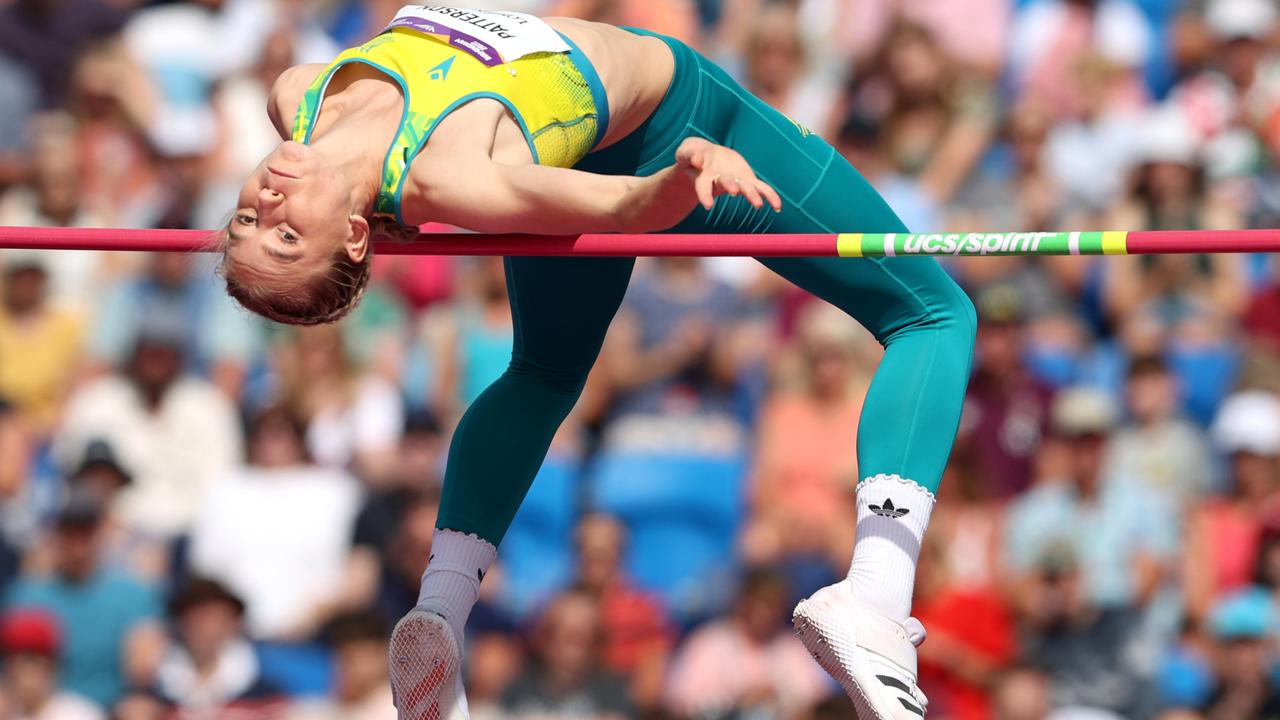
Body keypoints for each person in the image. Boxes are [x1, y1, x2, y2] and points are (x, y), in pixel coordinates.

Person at [219, 6, 978, 719]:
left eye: (248, 221)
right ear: (356, 240)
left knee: (546, 371)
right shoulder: (449, 174)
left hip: (600, 136)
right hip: (681, 125)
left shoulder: (296, 98)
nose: (268, 206)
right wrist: (687, 170)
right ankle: (876, 596)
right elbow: (622, 209)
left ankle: (441, 608)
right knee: (935, 314)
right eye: (287, 238)